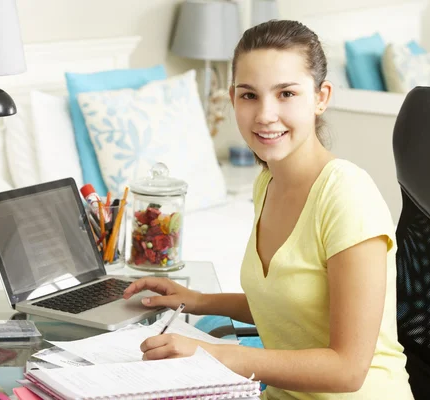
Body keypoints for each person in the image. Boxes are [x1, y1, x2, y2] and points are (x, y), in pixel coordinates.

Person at [123, 19, 414, 400]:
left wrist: (215, 355)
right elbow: (292, 306)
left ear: (321, 97)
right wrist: (196, 301)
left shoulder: (347, 197)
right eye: (249, 95)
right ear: (232, 99)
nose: (264, 114)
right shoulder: (269, 181)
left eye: (286, 94)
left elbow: (348, 370)